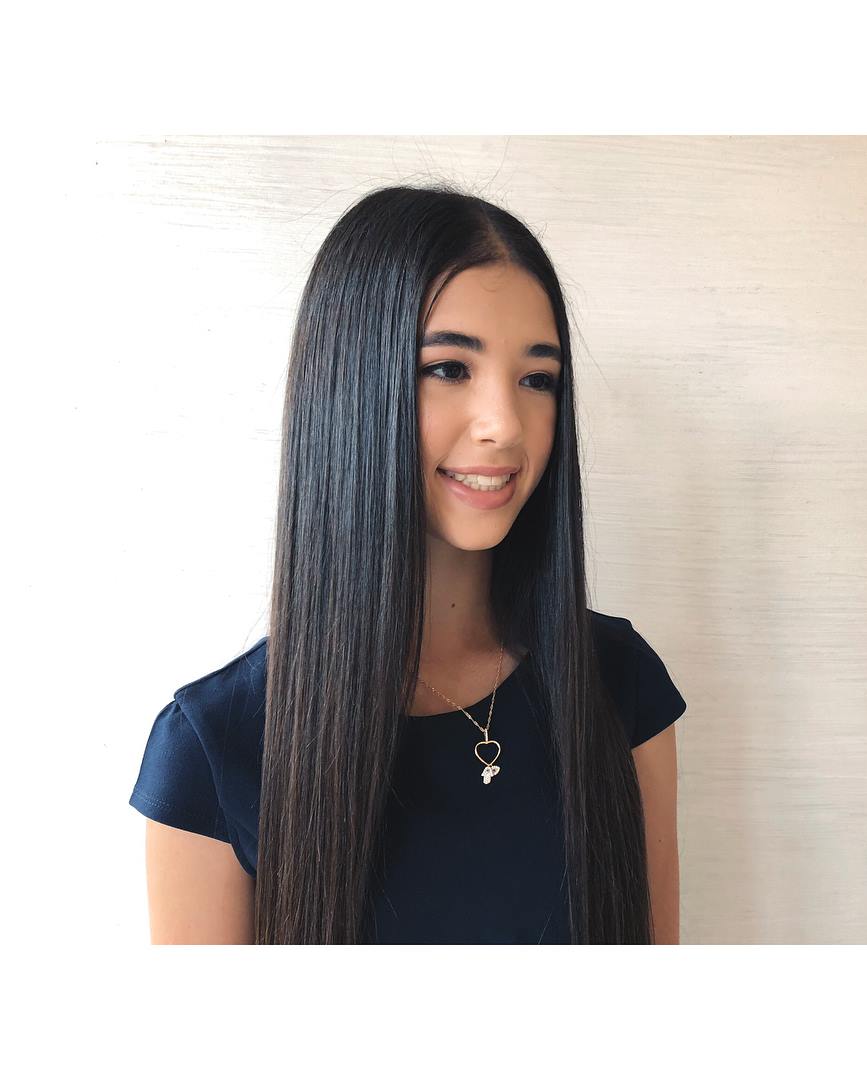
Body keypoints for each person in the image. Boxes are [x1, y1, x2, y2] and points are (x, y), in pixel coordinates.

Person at [128, 184, 687, 944]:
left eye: (538, 379)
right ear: (349, 389)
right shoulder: (214, 750)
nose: (505, 425)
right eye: (450, 368)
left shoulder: (619, 683)